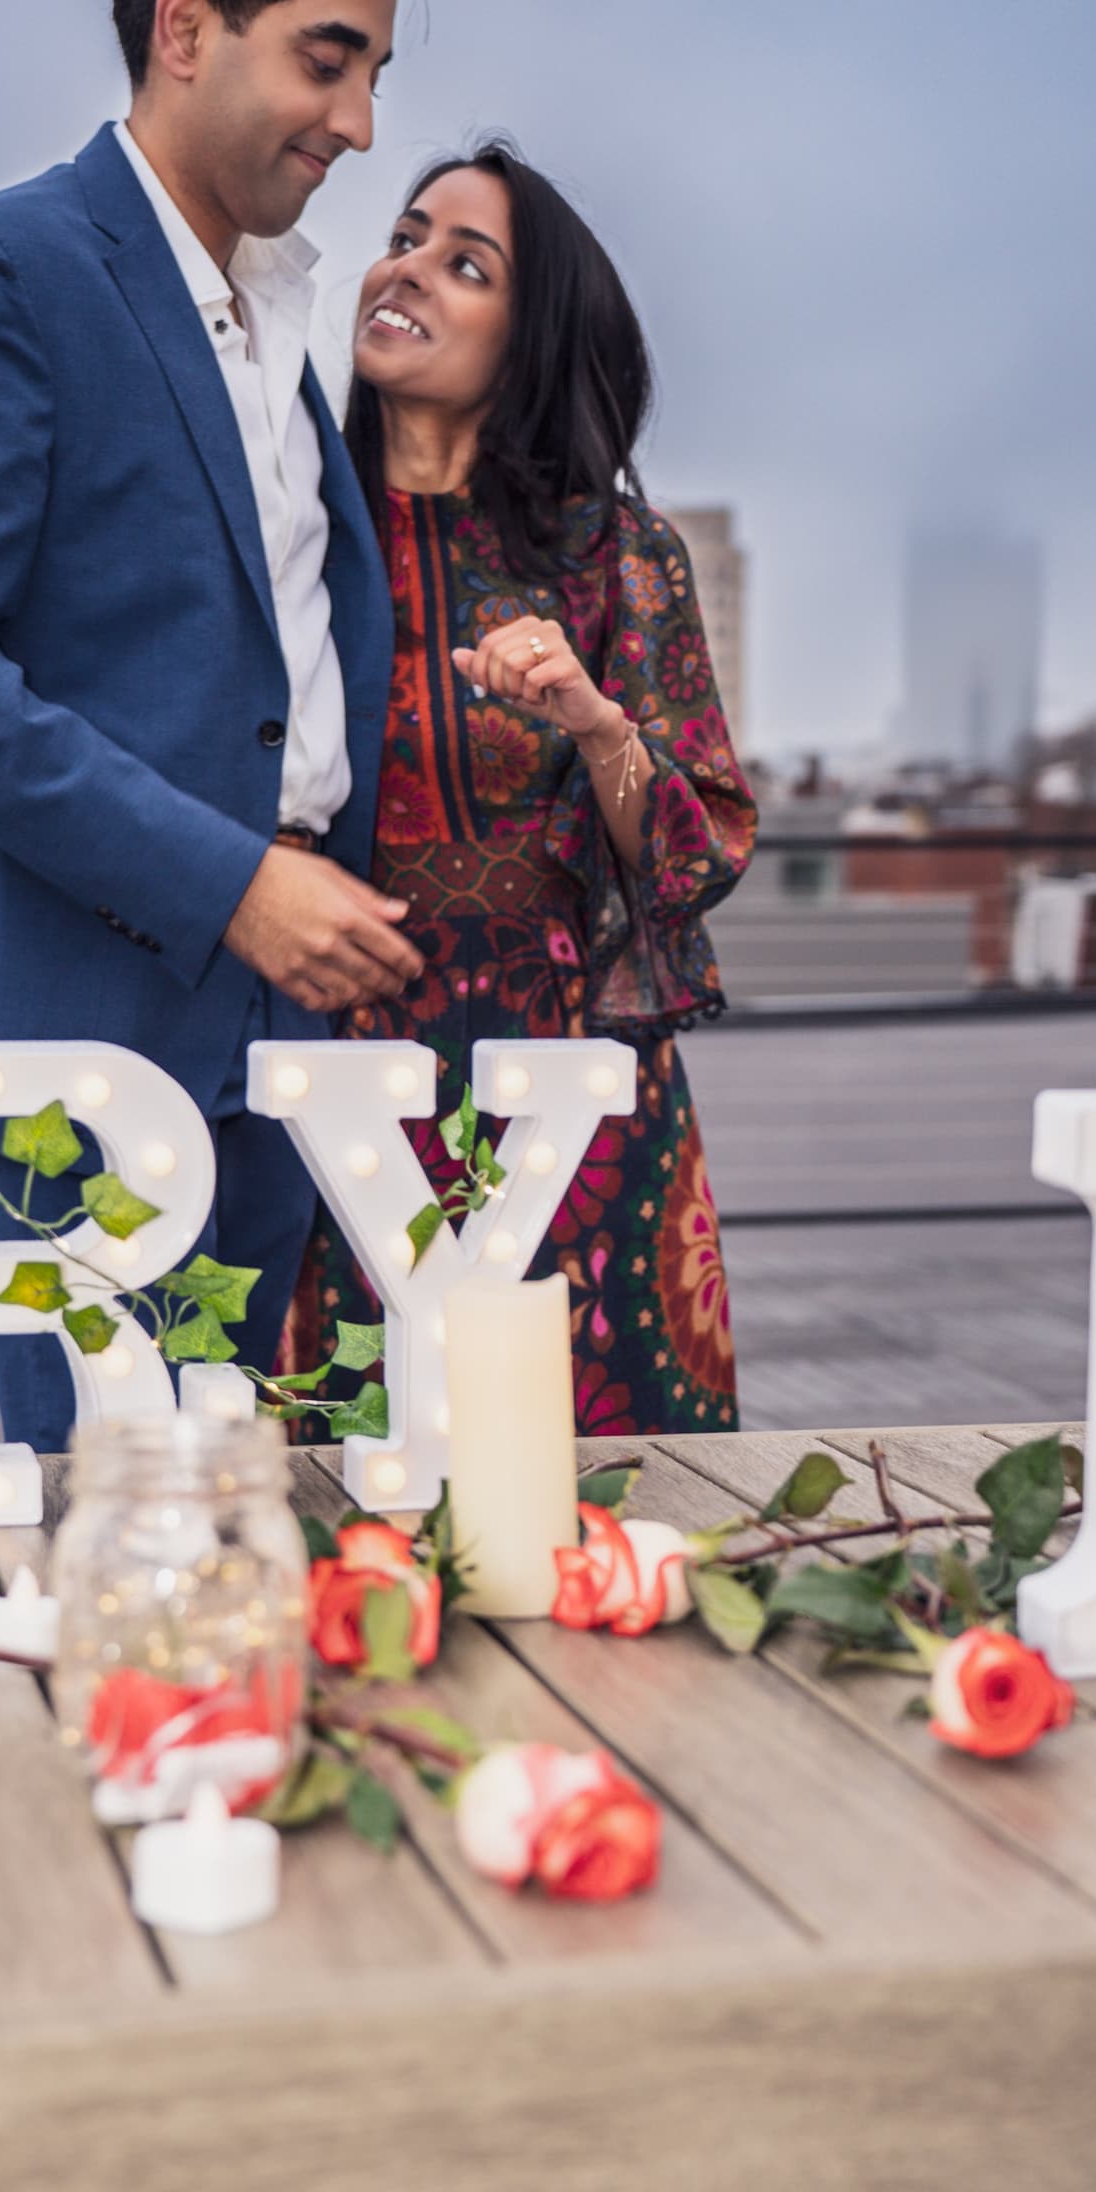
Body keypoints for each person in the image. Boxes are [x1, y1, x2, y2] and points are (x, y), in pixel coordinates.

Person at [0, 0, 428, 1440]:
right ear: (185, 26)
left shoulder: (274, 334)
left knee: (237, 1522)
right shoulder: (5, 273)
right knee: (53, 1555)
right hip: (66, 1049)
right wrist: (232, 884)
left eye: (372, 70)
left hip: (277, 1043)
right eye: (326, 60)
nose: (361, 122)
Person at [289, 144, 755, 1429]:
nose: (406, 269)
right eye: (406, 234)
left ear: (531, 335)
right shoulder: (285, 531)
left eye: (465, 263)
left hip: (567, 1101)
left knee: (590, 1507)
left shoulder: (614, 555)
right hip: (338, 1091)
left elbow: (695, 854)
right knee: (346, 1500)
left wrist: (592, 719)